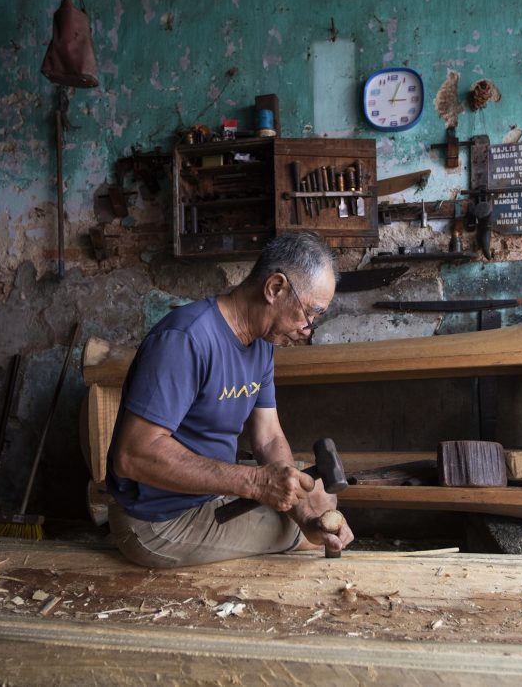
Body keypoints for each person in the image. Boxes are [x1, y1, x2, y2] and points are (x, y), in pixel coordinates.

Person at [106, 231, 355, 568]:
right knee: (306, 534)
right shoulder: (185, 339)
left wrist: (301, 509)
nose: (307, 330)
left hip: (211, 493)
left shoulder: (263, 343)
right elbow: (133, 455)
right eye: (309, 315)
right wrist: (254, 484)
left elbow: (268, 437)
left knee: (321, 495)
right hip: (158, 521)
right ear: (275, 288)